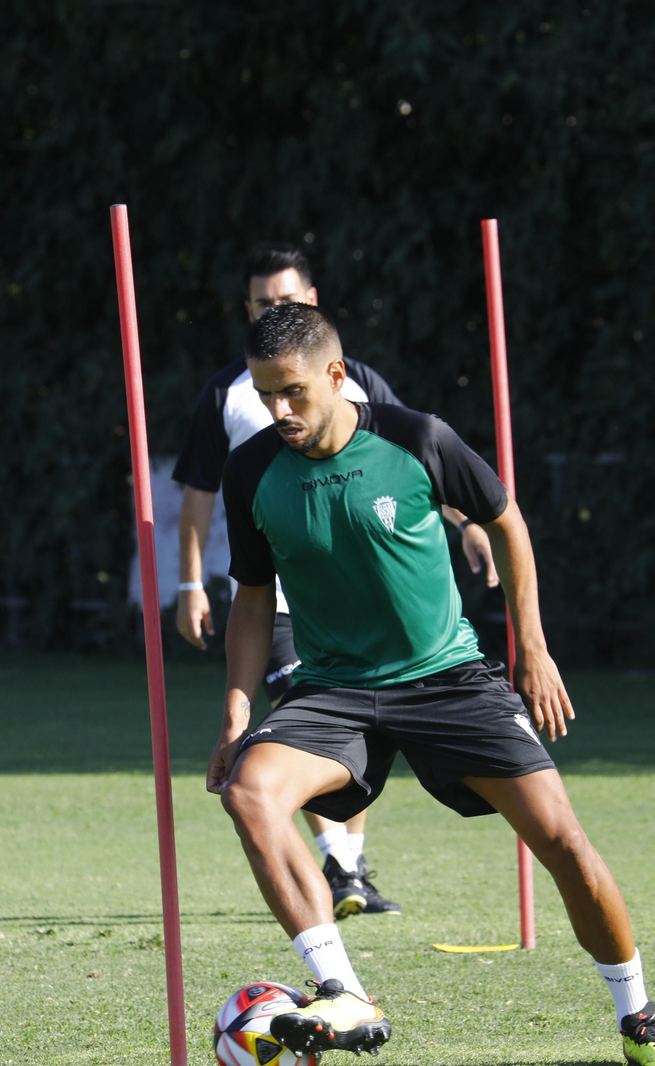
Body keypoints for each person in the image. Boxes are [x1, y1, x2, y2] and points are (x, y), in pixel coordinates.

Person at [207, 303, 655, 1065]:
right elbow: (251, 594)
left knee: (563, 840)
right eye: (266, 394)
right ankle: (342, 991)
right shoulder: (252, 469)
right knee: (249, 790)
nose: (279, 411)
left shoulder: (417, 438)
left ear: (336, 375)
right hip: (332, 690)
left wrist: (530, 644)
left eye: (293, 392)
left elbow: (507, 521)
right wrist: (237, 712)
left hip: (447, 680)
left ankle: (640, 1021)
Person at [172, 241, 498, 920]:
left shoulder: (357, 381)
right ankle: (341, 870)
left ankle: (346, 866)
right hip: (279, 591)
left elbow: (407, 461)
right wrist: (190, 582)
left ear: (311, 303)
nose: (274, 310)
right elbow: (200, 490)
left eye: (285, 299)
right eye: (262, 302)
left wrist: (467, 521)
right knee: (306, 706)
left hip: (366, 597)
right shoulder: (226, 394)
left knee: (361, 723)